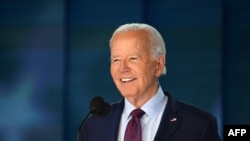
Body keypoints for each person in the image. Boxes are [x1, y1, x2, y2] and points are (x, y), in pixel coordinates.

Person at [78, 23, 221, 141]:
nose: (123, 68)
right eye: (116, 60)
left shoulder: (198, 125)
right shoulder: (92, 126)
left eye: (133, 58)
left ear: (158, 65)